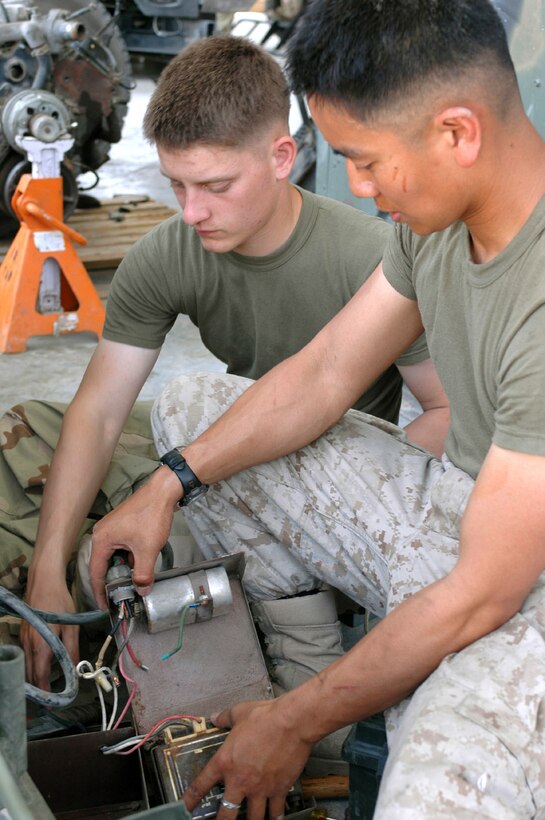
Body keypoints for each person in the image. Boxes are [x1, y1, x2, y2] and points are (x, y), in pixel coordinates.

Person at [83, 0, 545, 815]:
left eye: (363, 161)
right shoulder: (435, 219)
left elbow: (484, 591)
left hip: (518, 582)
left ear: (456, 133)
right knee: (195, 413)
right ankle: (322, 704)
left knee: (432, 796)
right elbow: (328, 371)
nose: (359, 191)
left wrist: (290, 725)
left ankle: (317, 718)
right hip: (454, 513)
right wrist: (164, 485)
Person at [15, 34, 448, 775]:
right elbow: (98, 412)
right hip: (231, 467)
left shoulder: (364, 256)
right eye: (177, 185)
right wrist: (50, 567)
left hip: (328, 484)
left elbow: (439, 417)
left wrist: (357, 540)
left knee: (192, 416)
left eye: (214, 185)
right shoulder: (172, 254)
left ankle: (308, 692)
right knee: (109, 542)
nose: (191, 210)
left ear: (281, 159)